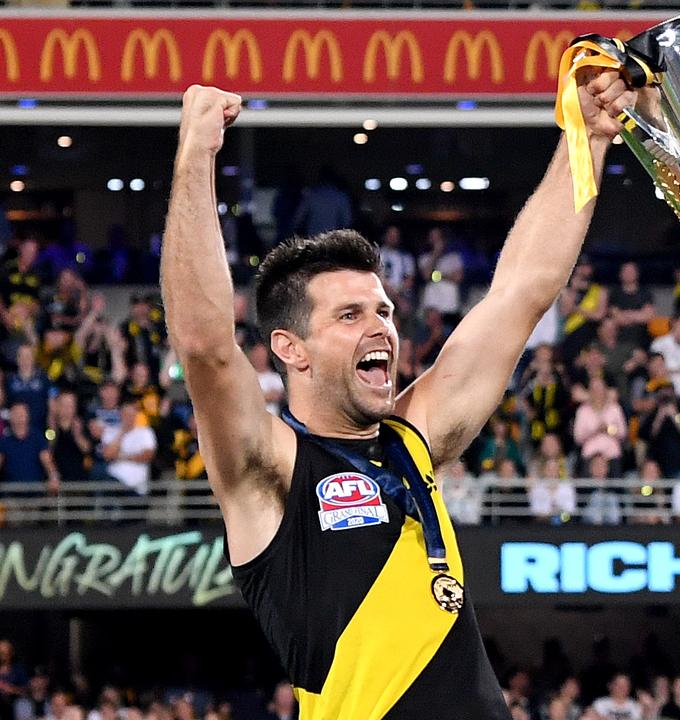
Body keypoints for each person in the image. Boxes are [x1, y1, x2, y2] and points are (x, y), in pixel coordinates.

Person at [160, 77, 629, 719]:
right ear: (290, 349)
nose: (381, 326)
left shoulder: (415, 437)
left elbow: (523, 290)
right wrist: (194, 156)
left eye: (383, 309)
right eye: (349, 315)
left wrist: (588, 137)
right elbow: (206, 346)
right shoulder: (269, 469)